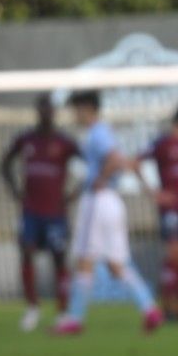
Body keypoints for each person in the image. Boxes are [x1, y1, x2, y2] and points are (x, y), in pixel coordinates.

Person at [53, 90, 163, 335]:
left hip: (98, 202)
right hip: (112, 202)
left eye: (77, 109)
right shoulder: (104, 132)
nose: (75, 115)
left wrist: (101, 179)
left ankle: (73, 319)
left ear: (87, 108)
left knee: (84, 259)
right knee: (116, 264)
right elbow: (121, 161)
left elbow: (113, 160)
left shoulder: (97, 133)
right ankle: (150, 308)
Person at [0, 94, 80, 332]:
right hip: (31, 212)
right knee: (26, 253)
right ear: (38, 112)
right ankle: (32, 307)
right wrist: (15, 190)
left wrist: (74, 194)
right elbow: (5, 164)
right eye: (43, 109)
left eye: (50, 110)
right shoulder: (26, 140)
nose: (46, 114)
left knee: (59, 259)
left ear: (54, 113)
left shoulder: (65, 143)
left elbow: (89, 165)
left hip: (55, 212)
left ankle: (63, 312)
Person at [141, 104, 178, 322]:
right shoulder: (164, 142)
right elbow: (136, 161)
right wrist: (154, 193)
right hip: (172, 210)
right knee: (173, 257)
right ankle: (166, 308)